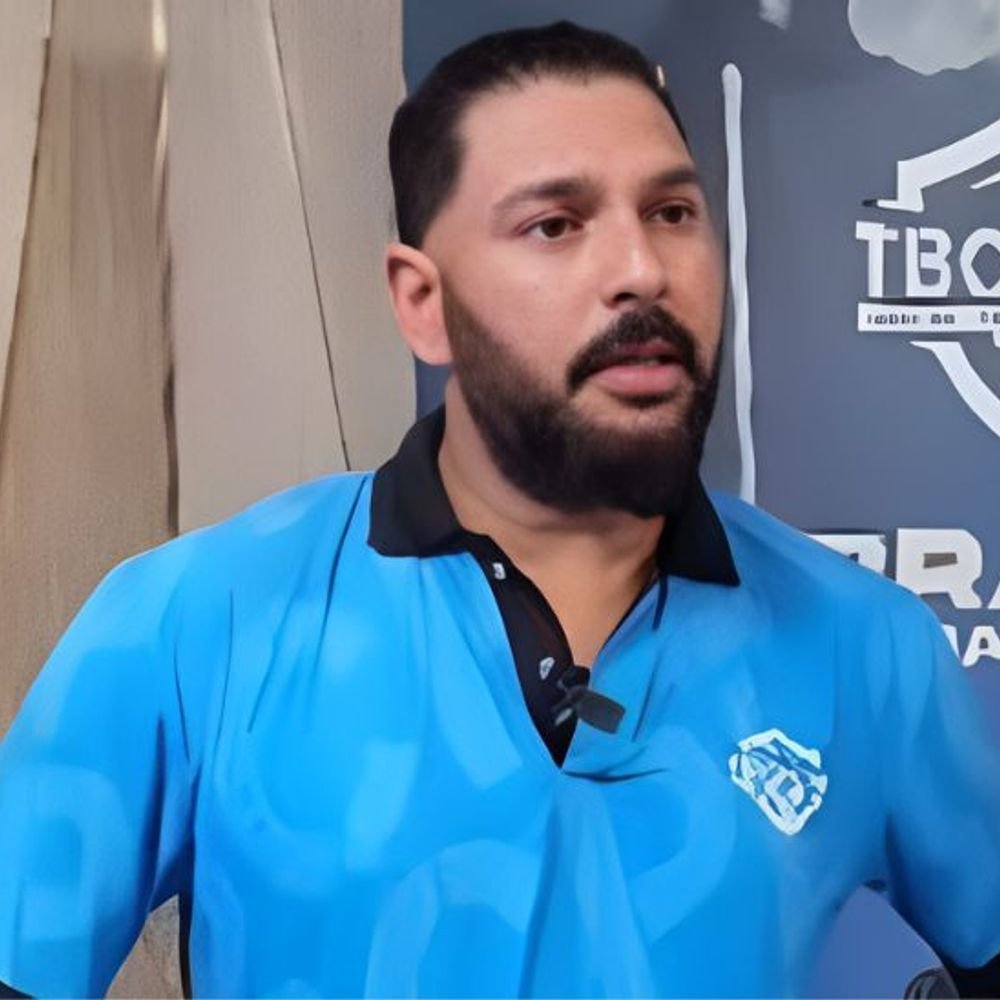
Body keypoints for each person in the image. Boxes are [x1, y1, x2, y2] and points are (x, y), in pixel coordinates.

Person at [0, 20, 998, 999]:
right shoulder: (193, 621)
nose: (642, 270)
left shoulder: (867, 647)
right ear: (422, 302)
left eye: (671, 212)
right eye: (554, 224)